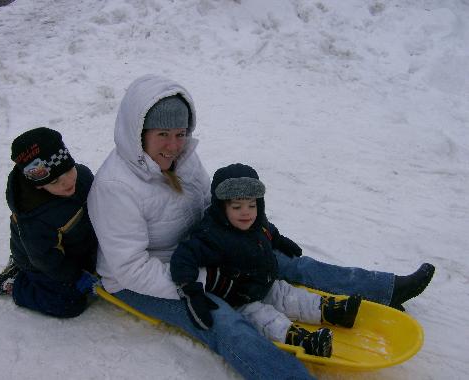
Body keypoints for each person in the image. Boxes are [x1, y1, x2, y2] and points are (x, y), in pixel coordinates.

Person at [87, 75, 318, 379]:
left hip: (198, 250)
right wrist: (207, 281)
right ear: (138, 133)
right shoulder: (115, 187)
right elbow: (131, 269)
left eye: (181, 133)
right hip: (143, 279)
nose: (174, 146)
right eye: (163, 134)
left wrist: (261, 233)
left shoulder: (183, 159)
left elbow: (213, 207)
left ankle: (382, 288)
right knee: (222, 321)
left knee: (281, 261)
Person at [171, 163, 363, 358]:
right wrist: (191, 292)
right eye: (237, 206)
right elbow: (183, 257)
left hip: (264, 284)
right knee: (265, 320)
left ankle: (333, 311)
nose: (246, 212)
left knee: (290, 295)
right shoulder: (211, 236)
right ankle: (304, 341)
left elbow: (268, 229)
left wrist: (279, 240)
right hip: (238, 299)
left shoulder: (256, 223)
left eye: (252, 205)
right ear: (222, 208)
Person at [0, 127, 99, 318]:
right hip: (41, 262)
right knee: (69, 303)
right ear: (39, 184)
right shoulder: (34, 218)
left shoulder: (82, 176)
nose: (66, 182)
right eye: (55, 181)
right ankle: (16, 283)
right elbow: (45, 259)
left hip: (75, 245)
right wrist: (75, 276)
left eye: (67, 169)